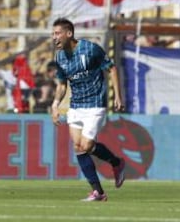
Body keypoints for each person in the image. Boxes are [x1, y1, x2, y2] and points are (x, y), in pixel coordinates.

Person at [51, 18, 125, 201]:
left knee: (87, 145)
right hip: (76, 105)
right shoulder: (59, 57)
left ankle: (116, 163)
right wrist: (55, 104)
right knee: (78, 147)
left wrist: (117, 95)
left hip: (95, 104)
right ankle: (98, 192)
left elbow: (112, 69)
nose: (54, 38)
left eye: (57, 33)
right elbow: (62, 84)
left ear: (69, 33)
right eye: (53, 34)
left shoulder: (90, 49)